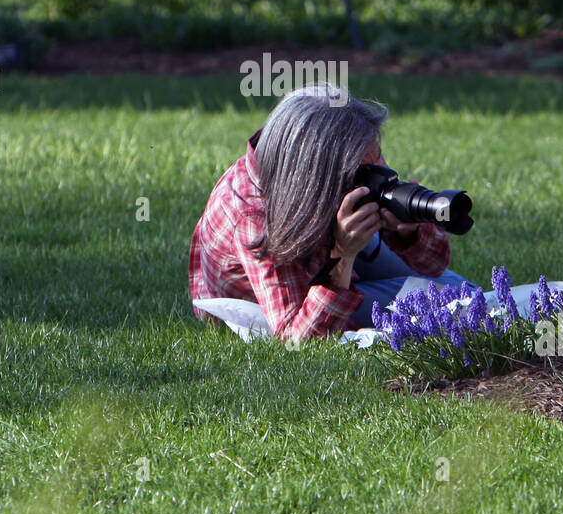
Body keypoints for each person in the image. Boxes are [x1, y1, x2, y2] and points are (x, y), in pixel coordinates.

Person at [188, 83, 470, 341]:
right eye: (364, 171)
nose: (381, 175)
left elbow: (434, 265)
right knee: (451, 299)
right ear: (316, 178)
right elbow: (299, 339)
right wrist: (344, 256)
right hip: (288, 275)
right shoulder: (256, 217)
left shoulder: (305, 182)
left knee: (461, 291)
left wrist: (407, 229)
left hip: (322, 242)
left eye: (378, 156)